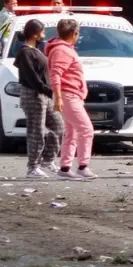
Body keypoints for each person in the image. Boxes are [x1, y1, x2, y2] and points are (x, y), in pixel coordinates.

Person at [47, 18, 95, 180]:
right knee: (86, 129)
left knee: (72, 131)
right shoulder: (63, 50)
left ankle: (65, 167)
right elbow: (56, 74)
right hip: (68, 95)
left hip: (71, 95)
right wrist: (59, 97)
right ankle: (83, 166)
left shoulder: (62, 49)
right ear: (74, 34)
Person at [15, 19, 61, 179]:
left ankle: (47, 161)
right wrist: (50, 91)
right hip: (33, 95)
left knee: (58, 126)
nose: (44, 35)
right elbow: (32, 78)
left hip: (43, 95)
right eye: (42, 32)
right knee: (36, 132)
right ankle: (33, 167)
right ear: (35, 34)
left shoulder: (36, 50)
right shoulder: (25, 52)